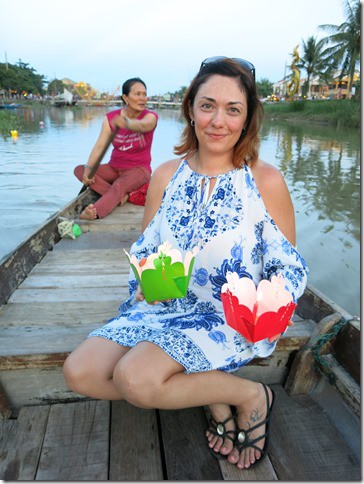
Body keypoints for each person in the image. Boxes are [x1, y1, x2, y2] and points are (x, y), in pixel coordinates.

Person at [63, 57, 308, 469]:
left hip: (225, 317)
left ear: (247, 120)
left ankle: (250, 395)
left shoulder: (265, 181)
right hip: (165, 305)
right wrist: (146, 281)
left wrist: (266, 308)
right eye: (208, 105)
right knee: (79, 372)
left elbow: (289, 269)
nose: (218, 121)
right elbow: (148, 250)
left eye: (233, 110)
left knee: (135, 378)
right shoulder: (164, 175)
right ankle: (214, 392)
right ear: (190, 108)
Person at [74, 77, 158, 220]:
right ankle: (120, 197)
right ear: (125, 97)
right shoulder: (111, 118)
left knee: (119, 185)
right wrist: (89, 168)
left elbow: (144, 125)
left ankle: (95, 212)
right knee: (81, 170)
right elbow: (100, 146)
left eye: (144, 94)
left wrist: (128, 123)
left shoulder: (150, 116)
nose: (143, 98)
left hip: (139, 170)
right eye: (137, 94)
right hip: (114, 168)